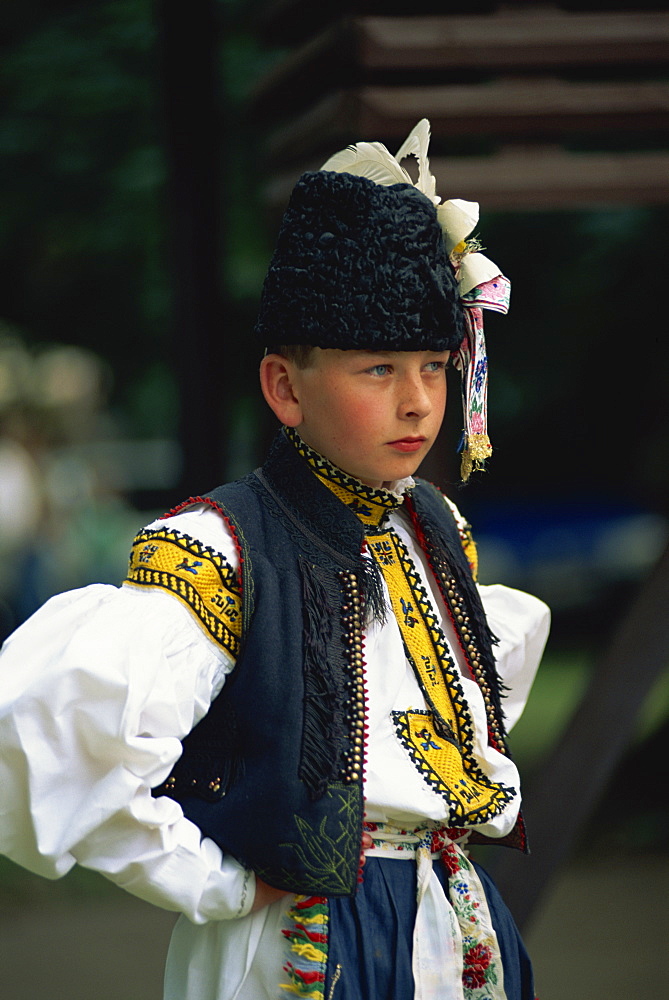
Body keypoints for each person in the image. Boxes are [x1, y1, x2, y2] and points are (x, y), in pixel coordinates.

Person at [0, 120, 549, 1000]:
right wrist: (210, 879)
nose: (417, 402)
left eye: (435, 368)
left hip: (453, 925)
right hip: (301, 941)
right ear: (284, 387)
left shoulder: (433, 527)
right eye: (377, 370)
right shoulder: (219, 548)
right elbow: (49, 740)